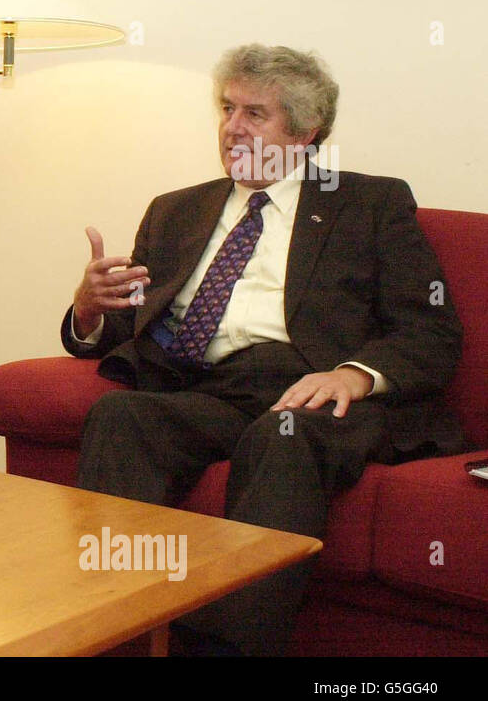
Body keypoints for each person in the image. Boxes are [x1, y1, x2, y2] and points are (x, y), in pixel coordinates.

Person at [63, 44, 463, 656]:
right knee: (121, 416)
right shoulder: (176, 210)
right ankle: (114, 635)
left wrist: (355, 376)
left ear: (304, 132)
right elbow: (125, 332)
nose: (232, 127)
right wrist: (89, 308)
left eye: (255, 113)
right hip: (210, 388)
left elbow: (429, 328)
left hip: (314, 392)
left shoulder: (369, 204)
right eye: (226, 108)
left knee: (282, 438)